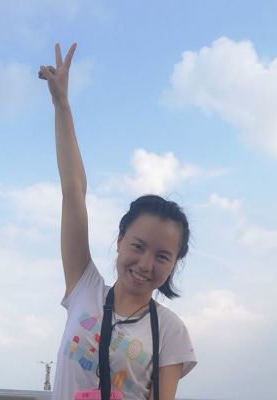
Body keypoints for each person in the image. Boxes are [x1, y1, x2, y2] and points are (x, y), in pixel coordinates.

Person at [38, 43, 197, 400]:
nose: (145, 264)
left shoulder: (170, 331)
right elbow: (73, 192)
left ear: (174, 262)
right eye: (138, 246)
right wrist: (62, 106)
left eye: (162, 255)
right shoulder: (85, 288)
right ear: (121, 239)